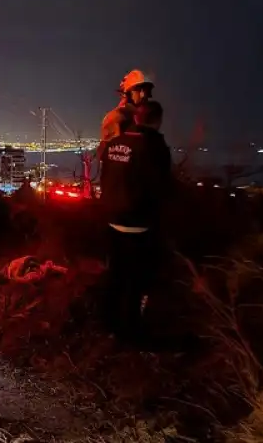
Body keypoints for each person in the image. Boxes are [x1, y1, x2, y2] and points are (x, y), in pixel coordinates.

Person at [99, 101, 171, 348]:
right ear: (157, 120)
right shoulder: (154, 146)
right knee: (136, 281)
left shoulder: (114, 144)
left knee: (115, 275)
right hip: (139, 224)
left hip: (113, 220)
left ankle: (108, 324)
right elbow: (160, 186)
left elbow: (105, 179)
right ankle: (130, 332)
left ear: (137, 118)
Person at [99, 69, 154, 156]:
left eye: (146, 90)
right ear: (128, 93)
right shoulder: (115, 119)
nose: (143, 95)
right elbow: (110, 156)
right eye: (138, 90)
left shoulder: (144, 117)